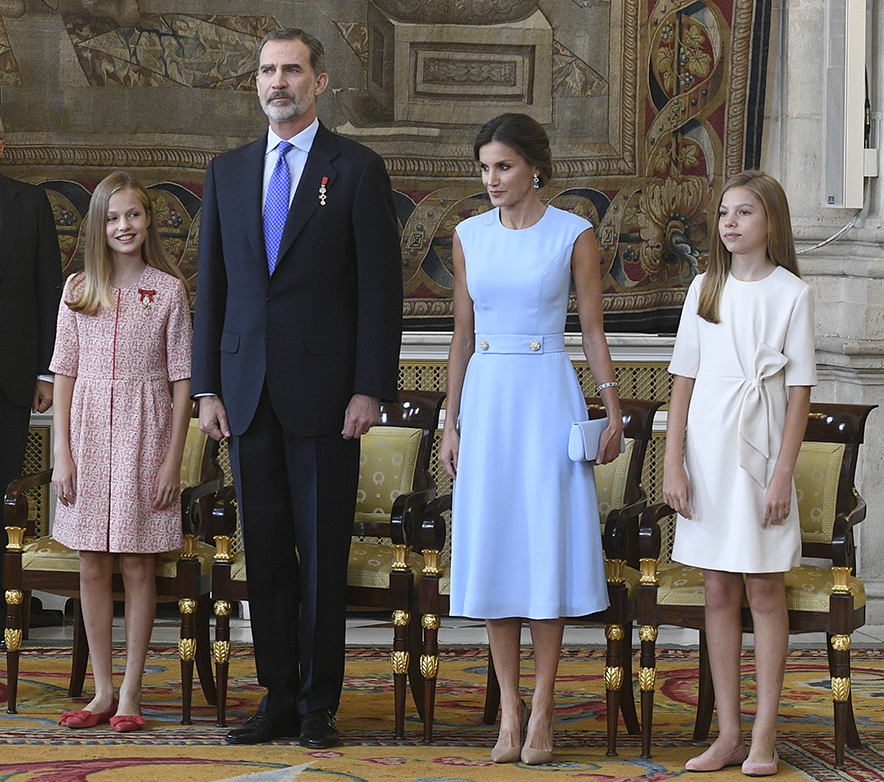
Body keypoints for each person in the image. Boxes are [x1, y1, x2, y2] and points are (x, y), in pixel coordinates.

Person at [191, 28, 402, 748]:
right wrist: (207, 387)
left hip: (328, 398)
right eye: (267, 70)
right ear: (256, 82)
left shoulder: (357, 170)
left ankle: (319, 704)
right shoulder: (227, 170)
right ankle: (278, 695)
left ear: (320, 83)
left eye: (292, 70)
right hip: (245, 395)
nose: (277, 82)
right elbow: (212, 289)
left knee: (321, 557)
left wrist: (370, 387)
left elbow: (381, 292)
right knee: (267, 554)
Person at [438, 113, 622, 765]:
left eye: (504, 167)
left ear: (535, 167)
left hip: (547, 394)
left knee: (544, 546)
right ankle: (508, 713)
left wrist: (612, 408)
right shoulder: (467, 236)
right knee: (494, 546)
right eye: (485, 167)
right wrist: (449, 422)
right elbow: (461, 336)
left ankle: (544, 709)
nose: (492, 179)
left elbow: (594, 331)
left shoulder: (575, 234)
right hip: (487, 398)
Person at [663, 171, 816, 776]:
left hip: (759, 459)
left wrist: (783, 474)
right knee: (718, 590)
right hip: (708, 454)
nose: (729, 223)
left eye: (744, 213)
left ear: (771, 222)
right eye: (724, 213)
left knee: (763, 589)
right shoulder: (705, 287)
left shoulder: (791, 294)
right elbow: (683, 382)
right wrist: (672, 461)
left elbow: (800, 391)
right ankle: (727, 734)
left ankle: (764, 736)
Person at [50, 171, 193, 731]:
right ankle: (101, 692)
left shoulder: (169, 291)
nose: (123, 225)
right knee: (92, 562)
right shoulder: (77, 289)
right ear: (97, 226)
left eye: (132, 214)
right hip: (87, 434)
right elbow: (64, 373)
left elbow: (183, 381)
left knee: (137, 563)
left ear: (149, 219)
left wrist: (172, 459)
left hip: (145, 434)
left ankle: (132, 693)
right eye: (112, 217)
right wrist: (62, 451)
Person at [0, 118, 63, 644]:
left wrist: (46, 371)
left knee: (1, 496)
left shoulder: (30, 203)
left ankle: (4, 612)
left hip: (12, 379)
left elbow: (49, 288)